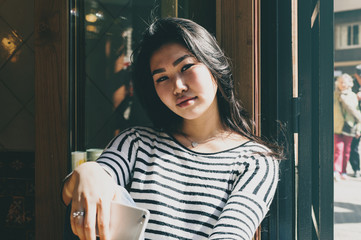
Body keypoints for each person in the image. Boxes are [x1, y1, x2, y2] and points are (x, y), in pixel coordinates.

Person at [62, 17, 283, 240]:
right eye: (162, 78)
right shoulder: (136, 143)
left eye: (186, 67)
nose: (178, 86)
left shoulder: (255, 161)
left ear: (214, 66)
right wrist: (89, 171)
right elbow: (71, 192)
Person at [334, 73, 361, 181]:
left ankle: (344, 171)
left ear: (350, 83)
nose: (343, 84)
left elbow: (357, 114)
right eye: (341, 82)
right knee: (338, 150)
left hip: (349, 127)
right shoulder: (335, 95)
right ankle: (336, 171)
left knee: (346, 152)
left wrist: (359, 129)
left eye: (345, 82)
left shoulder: (353, 96)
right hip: (337, 127)